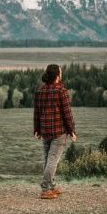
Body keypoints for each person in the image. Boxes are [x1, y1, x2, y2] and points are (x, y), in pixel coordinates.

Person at [33, 64, 76, 200]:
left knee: (48, 159)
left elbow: (37, 112)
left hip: (45, 131)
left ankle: (51, 186)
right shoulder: (61, 90)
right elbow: (67, 113)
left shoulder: (40, 90)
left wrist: (37, 129)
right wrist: (72, 131)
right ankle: (45, 189)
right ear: (57, 75)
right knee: (52, 160)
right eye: (60, 72)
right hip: (59, 132)